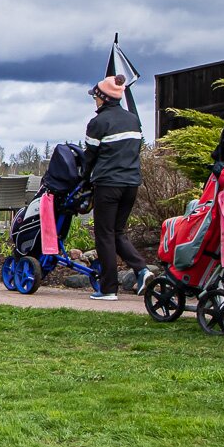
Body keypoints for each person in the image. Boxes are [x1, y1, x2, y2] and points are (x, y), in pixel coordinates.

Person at [78, 74, 149, 301]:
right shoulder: (133, 120)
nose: (95, 100)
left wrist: (83, 179)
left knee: (104, 235)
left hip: (108, 184)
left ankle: (108, 288)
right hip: (131, 183)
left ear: (104, 98)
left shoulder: (98, 123)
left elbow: (90, 157)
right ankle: (142, 270)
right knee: (117, 231)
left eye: (96, 97)